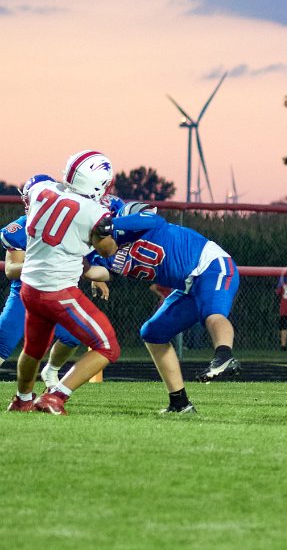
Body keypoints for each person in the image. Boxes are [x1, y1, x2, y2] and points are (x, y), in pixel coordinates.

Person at [86, 201, 241, 414]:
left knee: (212, 313)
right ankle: (180, 403)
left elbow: (150, 218)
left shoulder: (146, 223)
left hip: (211, 266)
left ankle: (224, 356)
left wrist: (109, 224)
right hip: (187, 286)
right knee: (152, 333)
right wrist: (82, 269)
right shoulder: (109, 253)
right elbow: (101, 272)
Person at [9, 153, 121, 415]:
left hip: (30, 287)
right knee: (108, 346)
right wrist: (114, 232)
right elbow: (107, 250)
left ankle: (22, 400)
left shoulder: (40, 189)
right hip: (59, 291)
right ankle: (55, 396)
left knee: (33, 349)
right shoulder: (95, 212)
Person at [0, 209, 98, 389]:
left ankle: (51, 371)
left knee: (73, 335)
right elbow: (10, 270)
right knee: (4, 340)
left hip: (60, 292)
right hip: (25, 292)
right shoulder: (21, 228)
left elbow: (86, 256)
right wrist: (42, 263)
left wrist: (95, 274)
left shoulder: (72, 224)